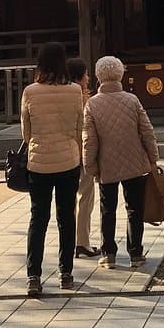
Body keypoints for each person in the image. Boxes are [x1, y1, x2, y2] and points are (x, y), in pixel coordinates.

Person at [83, 55, 159, 270]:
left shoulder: (92, 104)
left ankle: (108, 254)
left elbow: (89, 140)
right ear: (120, 74)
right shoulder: (132, 100)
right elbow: (147, 131)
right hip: (135, 162)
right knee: (134, 208)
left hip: (107, 165)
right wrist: (153, 157)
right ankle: (136, 253)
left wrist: (91, 166)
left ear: (98, 76)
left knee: (107, 209)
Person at [21, 42, 83, 297]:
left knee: (39, 218)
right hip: (68, 159)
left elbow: (26, 132)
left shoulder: (30, 92)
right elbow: (79, 128)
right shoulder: (76, 90)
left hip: (39, 162)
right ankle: (65, 272)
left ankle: (34, 275)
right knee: (66, 217)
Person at [66, 56, 100, 259]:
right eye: (86, 74)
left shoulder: (62, 95)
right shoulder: (84, 99)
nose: (88, 78)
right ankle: (82, 241)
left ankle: (69, 241)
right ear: (79, 77)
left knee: (68, 200)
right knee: (86, 197)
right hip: (83, 151)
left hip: (65, 152)